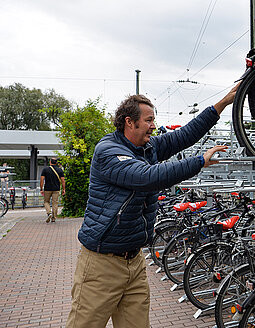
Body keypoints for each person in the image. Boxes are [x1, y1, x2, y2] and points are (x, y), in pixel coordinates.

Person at [66, 85, 237, 328]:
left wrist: (221, 105)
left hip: (134, 263)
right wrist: (199, 161)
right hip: (101, 266)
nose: (153, 126)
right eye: (148, 120)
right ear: (129, 122)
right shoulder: (109, 152)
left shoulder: (147, 147)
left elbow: (184, 135)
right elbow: (149, 177)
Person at [40, 158, 66, 222]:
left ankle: (49, 213)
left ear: (50, 162)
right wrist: (64, 189)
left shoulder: (45, 170)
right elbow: (63, 180)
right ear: (56, 163)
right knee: (55, 203)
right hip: (56, 189)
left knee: (46, 202)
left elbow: (42, 179)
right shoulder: (59, 170)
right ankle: (54, 218)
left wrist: (41, 188)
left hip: (47, 189)